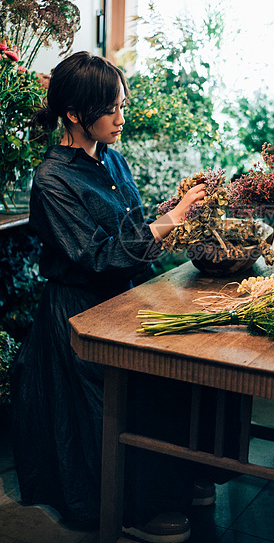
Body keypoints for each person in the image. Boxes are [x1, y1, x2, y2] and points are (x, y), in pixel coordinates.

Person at [10, 51, 211, 543]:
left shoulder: (113, 158)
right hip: (78, 313)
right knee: (110, 408)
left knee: (168, 380)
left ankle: (175, 481)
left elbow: (132, 232)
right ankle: (127, 509)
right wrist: (173, 217)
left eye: (123, 104)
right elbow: (96, 256)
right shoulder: (52, 179)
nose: (123, 118)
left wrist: (174, 210)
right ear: (76, 115)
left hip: (121, 301)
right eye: (113, 109)